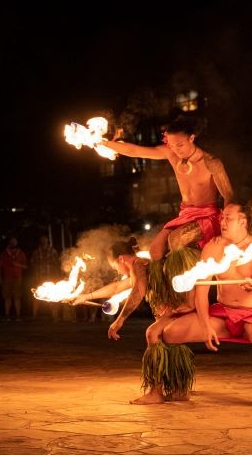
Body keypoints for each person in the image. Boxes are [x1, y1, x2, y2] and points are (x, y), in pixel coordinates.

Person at [162, 203, 252, 409]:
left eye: (227, 218)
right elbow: (202, 290)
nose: (222, 222)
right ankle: (178, 387)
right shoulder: (213, 247)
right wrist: (205, 325)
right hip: (223, 314)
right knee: (171, 333)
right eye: (221, 218)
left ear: (243, 221)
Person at [98, 116, 233, 312]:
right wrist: (103, 143)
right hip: (185, 214)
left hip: (207, 216)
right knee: (155, 251)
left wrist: (226, 228)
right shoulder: (171, 154)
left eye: (180, 144)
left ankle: (188, 299)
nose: (176, 149)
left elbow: (228, 195)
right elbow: (136, 150)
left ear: (192, 138)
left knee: (176, 240)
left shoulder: (212, 162)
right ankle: (162, 297)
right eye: (171, 144)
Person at [74, 236, 198, 404]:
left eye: (115, 267)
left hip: (176, 308)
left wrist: (120, 320)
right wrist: (87, 296)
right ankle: (179, 389)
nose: (117, 271)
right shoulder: (141, 265)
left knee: (152, 334)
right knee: (170, 342)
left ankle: (156, 392)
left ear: (121, 259)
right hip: (170, 310)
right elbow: (117, 287)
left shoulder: (139, 264)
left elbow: (138, 291)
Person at [30, 236, 64, 321]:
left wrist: (57, 275)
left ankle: (54, 316)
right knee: (37, 295)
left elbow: (57, 263)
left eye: (45, 239)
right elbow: (32, 263)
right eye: (42, 239)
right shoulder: (36, 252)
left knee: (52, 296)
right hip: (39, 277)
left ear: (47, 240)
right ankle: (34, 316)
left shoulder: (52, 251)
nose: (43, 241)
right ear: (40, 241)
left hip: (50, 277)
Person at [0, 237, 28, 321]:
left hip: (18, 278)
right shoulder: (4, 253)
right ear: (9, 243)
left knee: (17, 297)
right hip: (7, 278)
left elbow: (25, 266)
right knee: (7, 297)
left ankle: (18, 315)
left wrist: (17, 265)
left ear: (17, 243)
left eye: (14, 242)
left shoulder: (21, 253)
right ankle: (7, 315)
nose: (13, 243)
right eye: (11, 242)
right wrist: (0, 278)